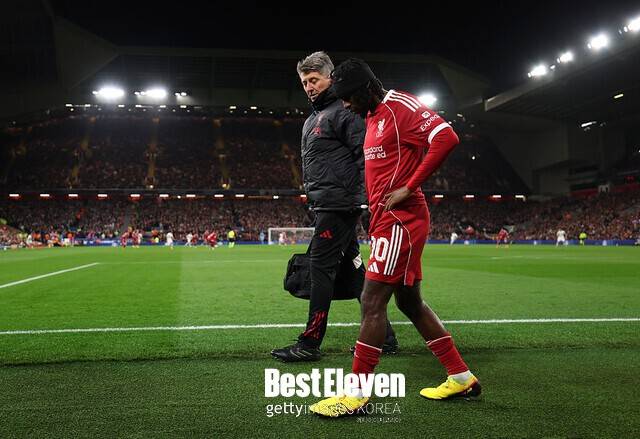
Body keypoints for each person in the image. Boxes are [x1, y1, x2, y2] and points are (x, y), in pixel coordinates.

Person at [309, 58, 480, 417]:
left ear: (367, 89)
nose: (346, 105)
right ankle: (461, 376)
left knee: (372, 301)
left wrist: (409, 186)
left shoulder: (400, 106)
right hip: (385, 220)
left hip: (402, 220)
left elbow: (446, 137)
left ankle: (356, 395)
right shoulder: (371, 115)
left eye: (349, 98)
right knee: (410, 303)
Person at [271, 52, 397, 363]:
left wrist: (367, 202)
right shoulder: (314, 118)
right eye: (304, 82)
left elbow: (365, 156)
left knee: (320, 268)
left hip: (340, 205)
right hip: (328, 203)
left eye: (314, 80)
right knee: (354, 272)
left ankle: (310, 343)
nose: (309, 87)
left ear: (330, 78)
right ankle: (384, 338)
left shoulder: (344, 112)